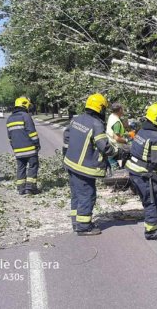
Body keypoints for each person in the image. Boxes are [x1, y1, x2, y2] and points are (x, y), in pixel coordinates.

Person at [63, 93, 116, 236]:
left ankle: (76, 221)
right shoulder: (96, 124)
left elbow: (66, 137)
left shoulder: (76, 119)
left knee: (76, 195)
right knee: (87, 194)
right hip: (84, 168)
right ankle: (84, 226)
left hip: (70, 164)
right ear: (100, 109)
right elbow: (103, 146)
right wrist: (117, 151)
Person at [125, 103, 157, 241]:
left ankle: (156, 223)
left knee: (153, 199)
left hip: (134, 170)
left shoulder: (142, 131)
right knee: (152, 201)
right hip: (144, 174)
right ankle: (152, 232)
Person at [7, 97, 40, 195]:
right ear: (25, 105)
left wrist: (14, 148)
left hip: (18, 150)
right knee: (33, 166)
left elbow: (10, 137)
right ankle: (30, 188)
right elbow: (32, 132)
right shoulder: (25, 116)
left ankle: (21, 189)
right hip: (30, 148)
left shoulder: (9, 118)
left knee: (21, 167)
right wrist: (37, 144)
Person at [106, 102, 130, 169]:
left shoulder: (111, 116)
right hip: (116, 148)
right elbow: (117, 138)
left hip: (110, 144)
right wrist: (126, 141)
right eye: (122, 109)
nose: (123, 111)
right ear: (119, 110)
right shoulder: (116, 122)